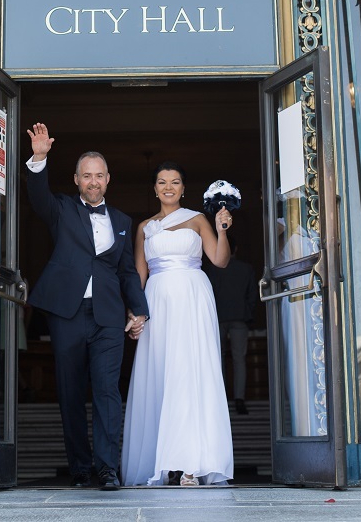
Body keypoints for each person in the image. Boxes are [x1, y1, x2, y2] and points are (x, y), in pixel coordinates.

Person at [26, 122, 149, 490]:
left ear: (108, 179)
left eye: (99, 175)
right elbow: (37, 197)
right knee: (71, 391)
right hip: (68, 313)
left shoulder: (123, 222)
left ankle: (108, 467)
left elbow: (128, 272)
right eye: (86, 176)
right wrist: (39, 157)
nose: (93, 182)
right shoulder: (61, 209)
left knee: (108, 391)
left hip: (109, 316)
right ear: (76, 179)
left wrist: (138, 310)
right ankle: (80, 466)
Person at [121, 162, 234, 487]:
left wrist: (222, 230)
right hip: (157, 302)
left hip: (192, 299)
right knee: (160, 375)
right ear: (154, 189)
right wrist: (134, 313)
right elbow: (139, 274)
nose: (168, 187)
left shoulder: (198, 219)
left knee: (190, 373)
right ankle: (165, 461)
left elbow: (219, 260)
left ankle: (191, 464)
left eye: (175, 182)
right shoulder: (144, 227)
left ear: (184, 188)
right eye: (161, 182)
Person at [205, 237, 257, 414]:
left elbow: (209, 293)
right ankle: (239, 399)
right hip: (240, 317)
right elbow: (252, 295)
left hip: (218, 317)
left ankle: (220, 400)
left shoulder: (213, 269)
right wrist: (248, 314)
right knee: (239, 359)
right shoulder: (247, 269)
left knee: (218, 358)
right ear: (236, 250)